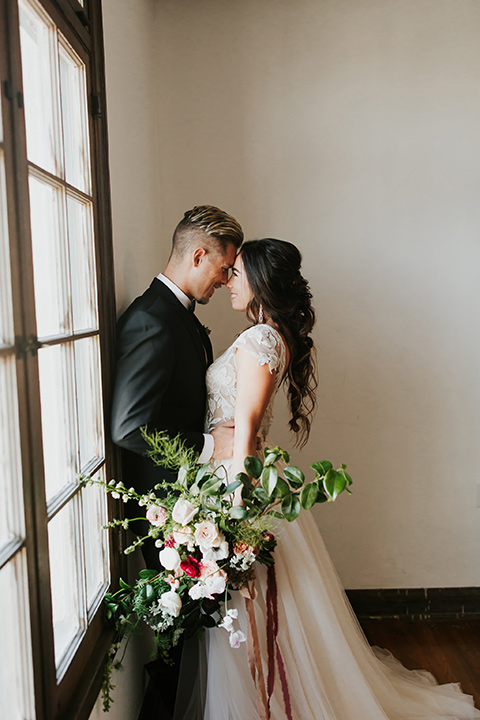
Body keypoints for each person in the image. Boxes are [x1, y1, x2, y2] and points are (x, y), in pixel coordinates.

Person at [193, 238, 480, 719]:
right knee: (260, 610)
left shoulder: (260, 339)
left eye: (236, 273)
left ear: (261, 280)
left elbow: (247, 429)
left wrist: (237, 513)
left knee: (257, 607)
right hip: (242, 473)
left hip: (241, 483)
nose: (227, 281)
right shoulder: (267, 336)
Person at [110, 205, 243, 715]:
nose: (225, 280)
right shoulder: (151, 320)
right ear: (198, 254)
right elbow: (129, 426)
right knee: (184, 635)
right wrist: (212, 447)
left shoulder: (178, 316)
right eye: (223, 268)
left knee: (196, 633)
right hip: (166, 506)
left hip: (189, 502)